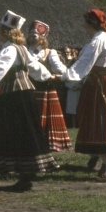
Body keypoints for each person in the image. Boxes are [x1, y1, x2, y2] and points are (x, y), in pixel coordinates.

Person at [0, 11, 59, 187]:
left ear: (5, 31)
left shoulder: (10, 49)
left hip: (14, 95)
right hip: (27, 93)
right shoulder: (22, 48)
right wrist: (49, 75)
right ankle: (25, 170)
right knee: (27, 131)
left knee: (16, 132)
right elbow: (35, 68)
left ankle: (23, 173)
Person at [59, 9, 106, 182]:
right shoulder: (101, 38)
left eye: (86, 22)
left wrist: (64, 76)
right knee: (100, 124)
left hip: (102, 85)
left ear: (92, 23)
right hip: (100, 83)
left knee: (103, 125)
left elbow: (84, 63)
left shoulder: (98, 40)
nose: (83, 26)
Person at [27, 20, 72, 153]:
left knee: (46, 118)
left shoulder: (49, 52)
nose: (31, 38)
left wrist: (67, 75)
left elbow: (59, 68)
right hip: (29, 89)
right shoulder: (24, 51)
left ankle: (49, 144)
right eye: (29, 35)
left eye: (34, 36)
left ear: (42, 37)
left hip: (45, 89)